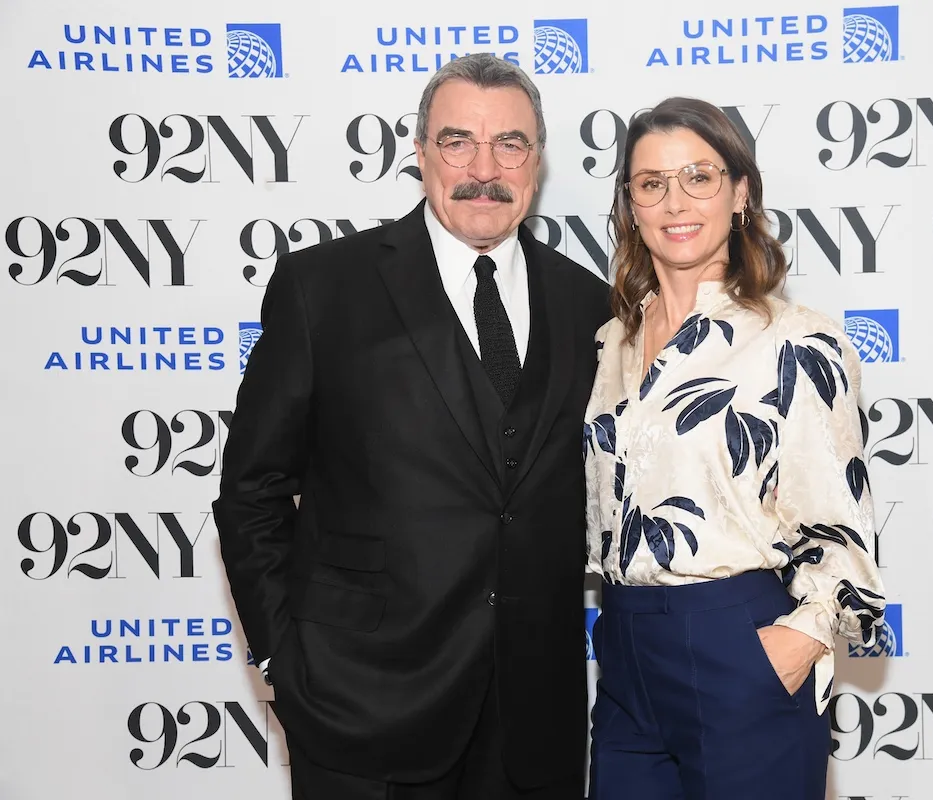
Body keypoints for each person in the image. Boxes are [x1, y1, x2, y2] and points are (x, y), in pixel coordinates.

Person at [213, 53, 611, 800]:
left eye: (511, 145)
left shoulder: (589, 304)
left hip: (534, 722)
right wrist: (281, 660)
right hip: (360, 707)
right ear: (421, 151)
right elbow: (252, 490)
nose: (483, 168)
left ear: (538, 159)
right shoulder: (322, 287)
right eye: (458, 141)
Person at [583, 97, 886, 800]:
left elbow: (842, 526)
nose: (674, 200)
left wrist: (799, 640)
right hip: (625, 651)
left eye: (700, 176)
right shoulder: (610, 343)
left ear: (741, 192)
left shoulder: (795, 341)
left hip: (739, 643)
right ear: (630, 204)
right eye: (651, 183)